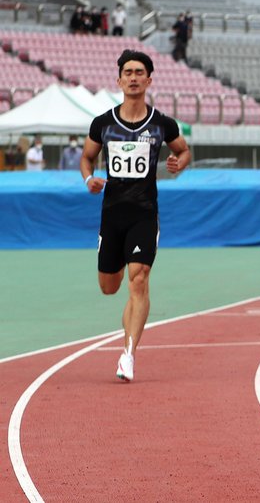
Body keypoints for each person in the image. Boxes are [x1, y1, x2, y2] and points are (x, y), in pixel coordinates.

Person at [80, 49, 191, 383]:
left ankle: (128, 354)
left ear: (149, 80)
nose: (133, 77)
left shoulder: (162, 124)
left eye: (139, 72)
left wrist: (178, 164)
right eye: (127, 72)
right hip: (112, 215)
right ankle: (127, 332)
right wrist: (89, 179)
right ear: (119, 80)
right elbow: (87, 158)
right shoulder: (102, 124)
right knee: (109, 287)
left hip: (145, 214)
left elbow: (183, 150)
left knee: (139, 279)